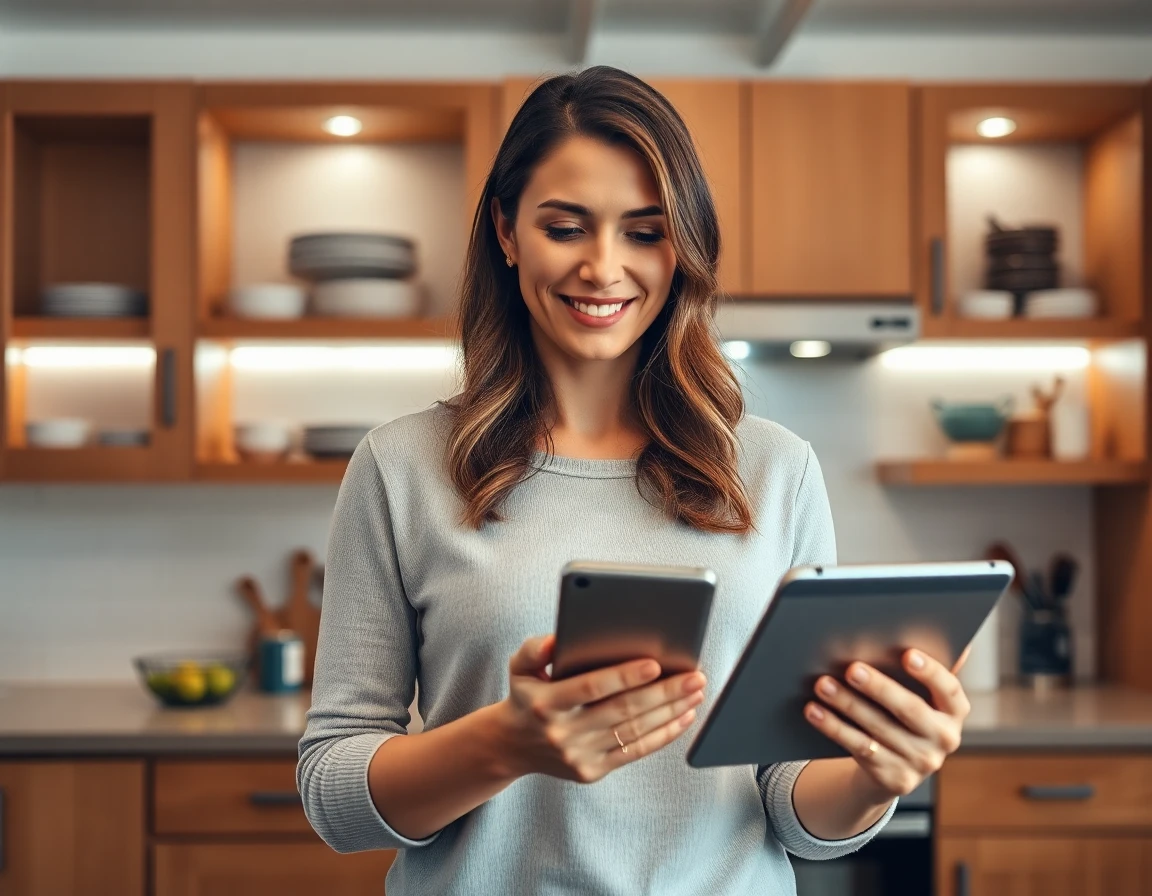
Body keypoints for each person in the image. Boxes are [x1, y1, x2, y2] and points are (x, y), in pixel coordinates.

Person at [297, 65, 970, 896]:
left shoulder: (773, 469)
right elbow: (334, 793)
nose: (603, 268)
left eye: (645, 231)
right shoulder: (401, 466)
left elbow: (791, 803)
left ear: (682, 245)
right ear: (507, 231)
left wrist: (877, 774)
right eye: (566, 226)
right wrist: (505, 743)